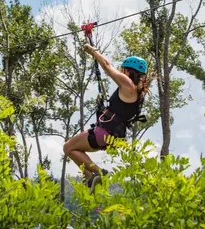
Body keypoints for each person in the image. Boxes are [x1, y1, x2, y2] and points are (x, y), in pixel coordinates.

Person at [63, 43, 153, 192]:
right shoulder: (136, 93)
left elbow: (106, 65)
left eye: (122, 70)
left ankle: (99, 173)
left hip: (104, 133)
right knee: (74, 150)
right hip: (111, 136)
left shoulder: (128, 85)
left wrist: (93, 51)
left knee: (68, 147)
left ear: (127, 70)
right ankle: (90, 178)